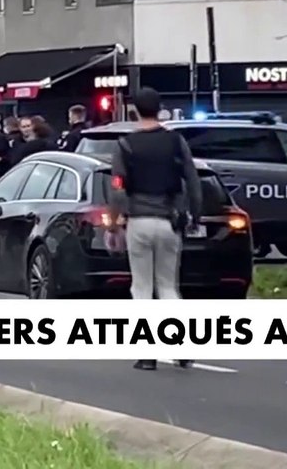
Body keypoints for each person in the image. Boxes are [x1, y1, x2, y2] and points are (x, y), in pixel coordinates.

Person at [108, 88, 203, 372]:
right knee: (168, 286)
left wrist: (114, 223)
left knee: (141, 287)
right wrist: (194, 215)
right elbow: (192, 178)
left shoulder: (125, 144)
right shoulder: (176, 141)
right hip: (169, 220)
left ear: (134, 110)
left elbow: (117, 187)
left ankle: (147, 354)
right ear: (160, 109)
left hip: (138, 219)